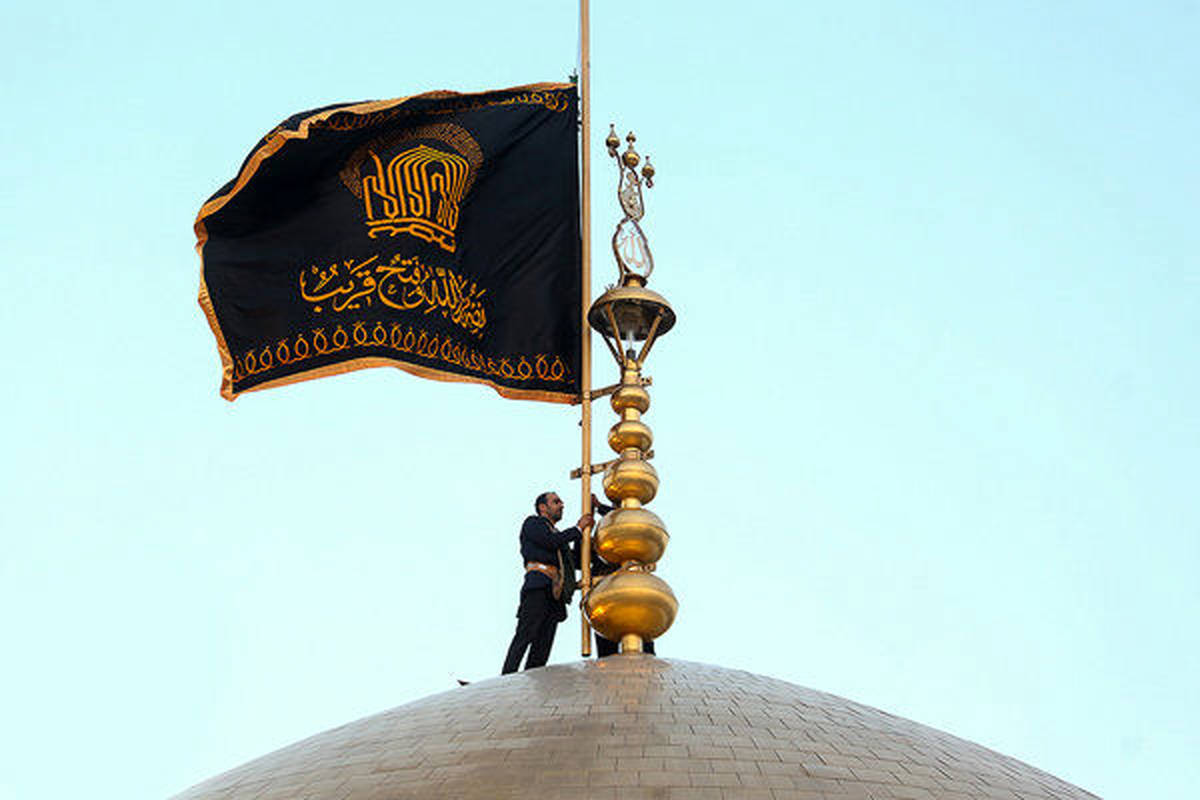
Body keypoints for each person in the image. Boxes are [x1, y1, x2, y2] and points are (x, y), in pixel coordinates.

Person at [501, 491, 593, 674]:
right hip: (539, 586)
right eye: (556, 502)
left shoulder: (559, 537)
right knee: (526, 634)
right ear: (542, 507)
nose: (561, 505)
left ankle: (533, 678)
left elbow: (575, 562)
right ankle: (507, 677)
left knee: (543, 643)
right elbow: (549, 542)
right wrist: (577, 529)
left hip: (554, 592)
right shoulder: (534, 524)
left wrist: (583, 534)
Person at [587, 494, 657, 657]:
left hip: (632, 594)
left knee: (642, 640)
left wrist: (600, 507)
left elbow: (626, 520)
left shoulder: (632, 532)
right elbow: (580, 559)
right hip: (606, 596)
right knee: (606, 646)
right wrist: (584, 530)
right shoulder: (600, 539)